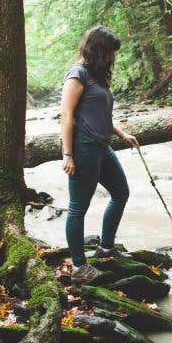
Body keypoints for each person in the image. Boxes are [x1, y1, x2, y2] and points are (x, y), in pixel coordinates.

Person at [60, 25, 139, 285]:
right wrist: (68, 154)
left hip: (102, 147)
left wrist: (121, 134)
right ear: (98, 49)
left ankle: (105, 248)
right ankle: (79, 267)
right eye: (109, 52)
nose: (112, 58)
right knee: (78, 208)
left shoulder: (97, 76)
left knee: (121, 193)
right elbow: (67, 116)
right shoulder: (77, 74)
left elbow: (101, 115)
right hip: (83, 149)